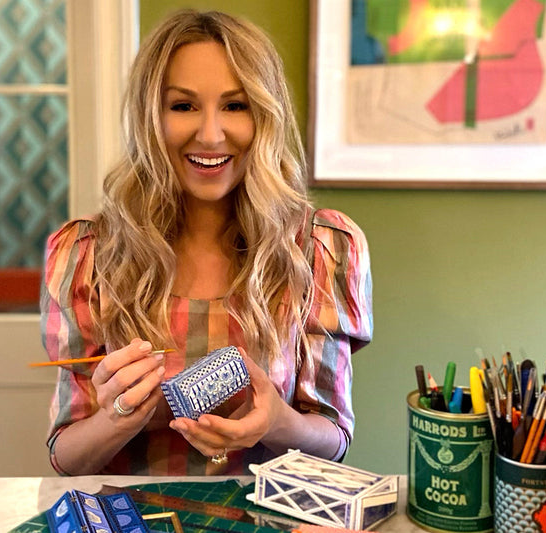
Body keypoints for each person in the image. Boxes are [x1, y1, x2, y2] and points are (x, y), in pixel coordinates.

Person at [40, 9, 372, 476]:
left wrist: (277, 422)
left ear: (265, 116)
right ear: (150, 116)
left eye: (236, 106)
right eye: (183, 106)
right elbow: (65, 456)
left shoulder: (320, 249)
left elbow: (334, 442)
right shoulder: (88, 255)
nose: (211, 135)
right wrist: (116, 420)